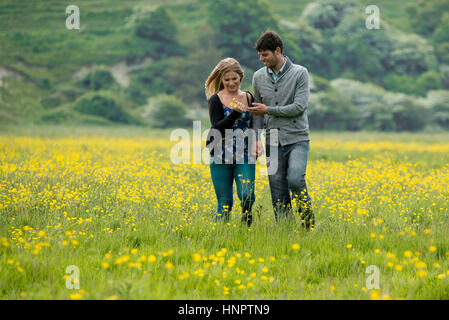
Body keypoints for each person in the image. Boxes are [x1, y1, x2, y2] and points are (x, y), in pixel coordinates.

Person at [248, 31, 315, 229]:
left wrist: (269, 109)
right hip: (272, 139)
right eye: (259, 55)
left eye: (265, 54)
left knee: (295, 179)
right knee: (277, 188)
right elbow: (256, 112)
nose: (261, 59)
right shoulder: (258, 77)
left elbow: (299, 107)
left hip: (297, 138)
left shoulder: (300, 73)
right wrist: (255, 138)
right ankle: (285, 229)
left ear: (278, 51)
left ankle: (307, 224)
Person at [205, 58, 264, 227]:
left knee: (247, 195)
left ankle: (246, 220)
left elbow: (254, 123)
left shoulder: (248, 97)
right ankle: (220, 236)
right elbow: (217, 128)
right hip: (220, 155)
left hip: (244, 154)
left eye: (234, 79)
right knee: (224, 203)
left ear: (241, 77)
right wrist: (235, 113)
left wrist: (257, 141)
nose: (231, 83)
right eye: (227, 80)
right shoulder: (215, 99)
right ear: (221, 80)